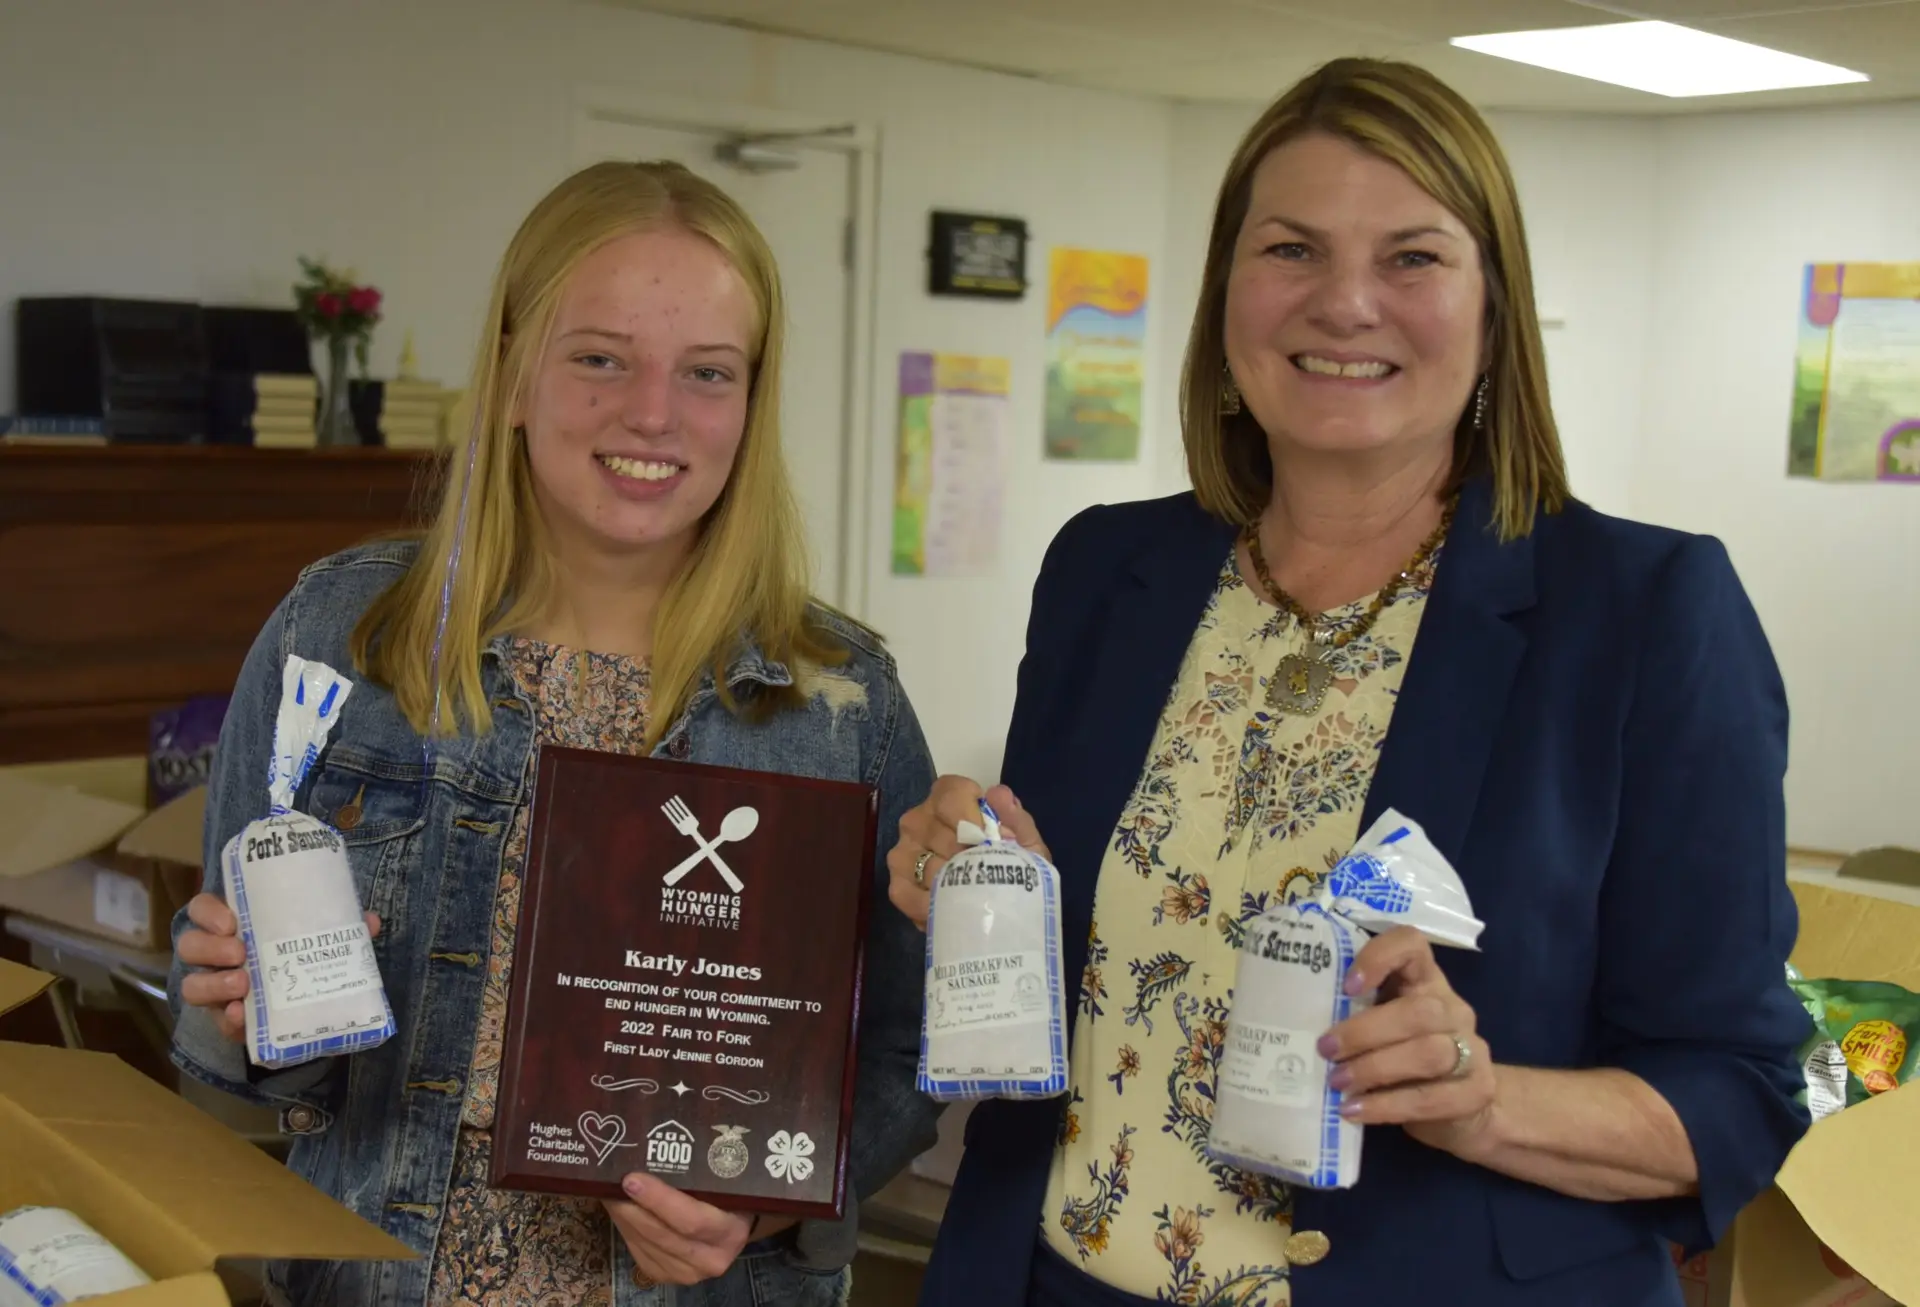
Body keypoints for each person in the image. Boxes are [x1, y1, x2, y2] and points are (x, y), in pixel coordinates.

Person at [887, 58, 1809, 1307]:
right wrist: (968, 880)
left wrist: (1482, 1103)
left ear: (1495, 309)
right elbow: (1092, 977)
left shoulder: (1643, 612)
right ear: (1228, 292)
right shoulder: (1110, 569)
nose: (1345, 303)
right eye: (1292, 251)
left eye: (1413, 258)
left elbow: (1737, 1093)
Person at [168, 160, 939, 1307]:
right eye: (599, 357)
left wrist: (765, 1201)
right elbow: (238, 1086)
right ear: (513, 372)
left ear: (750, 401)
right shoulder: (336, 639)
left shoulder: (840, 702)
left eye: (707, 373)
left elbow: (908, 1054)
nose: (651, 414)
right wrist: (229, 1012)